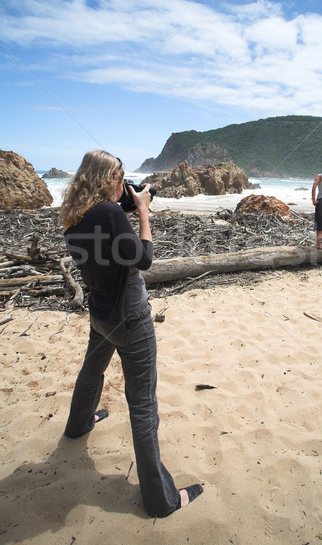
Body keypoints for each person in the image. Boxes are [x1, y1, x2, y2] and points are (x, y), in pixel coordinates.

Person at [60, 150, 203, 518]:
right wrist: (141, 209)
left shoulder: (75, 216)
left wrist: (127, 201)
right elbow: (143, 258)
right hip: (131, 316)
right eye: (120, 177)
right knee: (143, 406)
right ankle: (161, 500)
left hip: (101, 314)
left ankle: (78, 425)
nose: (124, 184)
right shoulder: (109, 213)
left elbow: (109, 248)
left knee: (91, 372)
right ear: (108, 178)